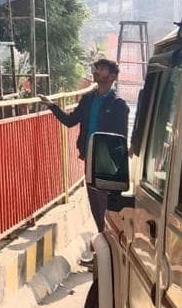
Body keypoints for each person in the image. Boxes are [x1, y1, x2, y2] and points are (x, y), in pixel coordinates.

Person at [43, 58, 129, 250]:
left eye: (102, 69)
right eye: (96, 68)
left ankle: (110, 244)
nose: (97, 71)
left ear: (113, 76)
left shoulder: (119, 105)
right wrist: (53, 106)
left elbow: (121, 139)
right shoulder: (89, 99)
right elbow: (71, 120)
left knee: (107, 204)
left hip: (107, 163)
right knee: (95, 204)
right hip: (90, 159)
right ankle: (103, 242)